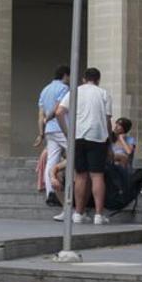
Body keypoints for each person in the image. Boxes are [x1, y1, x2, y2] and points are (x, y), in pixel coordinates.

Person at [54, 67, 113, 225]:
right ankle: (99, 215)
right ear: (98, 80)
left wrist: (67, 132)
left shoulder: (75, 91)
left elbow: (59, 112)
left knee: (80, 175)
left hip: (78, 136)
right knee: (97, 175)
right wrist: (110, 141)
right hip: (98, 137)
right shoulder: (104, 93)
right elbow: (108, 121)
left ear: (83, 79)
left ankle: (78, 213)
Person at [35, 65, 70, 207]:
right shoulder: (64, 88)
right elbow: (58, 108)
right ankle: (65, 190)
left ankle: (51, 192)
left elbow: (40, 114)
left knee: (51, 160)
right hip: (61, 127)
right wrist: (49, 118)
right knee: (75, 154)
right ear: (65, 75)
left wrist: (41, 132)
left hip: (49, 131)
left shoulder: (45, 89)